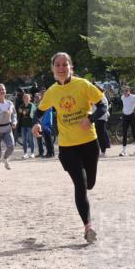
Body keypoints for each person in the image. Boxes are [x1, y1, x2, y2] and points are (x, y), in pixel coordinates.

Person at [32, 52, 107, 242]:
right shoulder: (51, 92)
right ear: (52, 69)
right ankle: (88, 227)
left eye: (64, 65)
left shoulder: (83, 85)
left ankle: (87, 220)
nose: (61, 68)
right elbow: (38, 113)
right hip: (67, 146)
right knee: (80, 185)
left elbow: (103, 106)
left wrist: (90, 118)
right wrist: (36, 123)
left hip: (89, 142)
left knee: (90, 183)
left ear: (70, 67)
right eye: (57, 65)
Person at [119, 86, 135, 156]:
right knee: (124, 133)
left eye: (125, 91)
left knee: (134, 133)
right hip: (125, 116)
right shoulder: (122, 97)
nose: (124, 92)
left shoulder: (134, 97)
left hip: (132, 116)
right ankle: (124, 150)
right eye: (123, 91)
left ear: (128, 91)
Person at [16, 91, 37, 159]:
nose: (26, 99)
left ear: (29, 99)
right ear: (23, 99)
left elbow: (32, 115)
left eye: (27, 98)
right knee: (24, 139)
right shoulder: (21, 106)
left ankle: (32, 153)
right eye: (25, 98)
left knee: (31, 139)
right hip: (23, 125)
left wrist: (24, 112)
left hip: (30, 125)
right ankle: (25, 153)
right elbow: (19, 115)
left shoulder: (32, 105)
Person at [93, 84, 111, 157]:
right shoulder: (97, 96)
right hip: (97, 117)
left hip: (101, 118)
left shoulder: (101, 96)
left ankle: (103, 151)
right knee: (98, 135)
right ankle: (100, 150)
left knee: (101, 135)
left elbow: (103, 108)